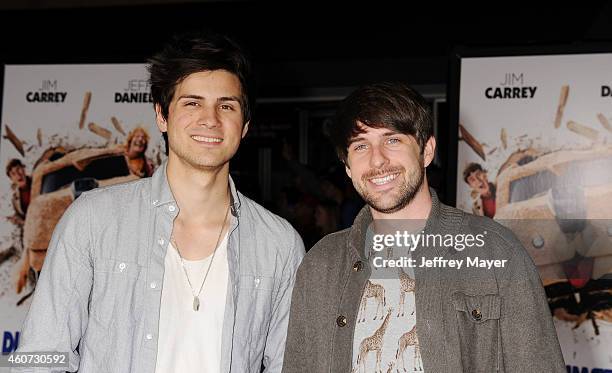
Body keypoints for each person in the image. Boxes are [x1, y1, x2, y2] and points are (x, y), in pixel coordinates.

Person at [16, 31, 305, 373]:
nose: (210, 119)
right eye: (192, 103)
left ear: (244, 126)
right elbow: (40, 356)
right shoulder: (93, 220)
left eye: (226, 105)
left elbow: (290, 366)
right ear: (162, 116)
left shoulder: (279, 244)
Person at [282, 82, 565, 372]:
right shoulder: (320, 265)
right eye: (361, 145)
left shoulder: (496, 252)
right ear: (347, 166)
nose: (377, 159)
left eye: (392, 140)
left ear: (426, 150)